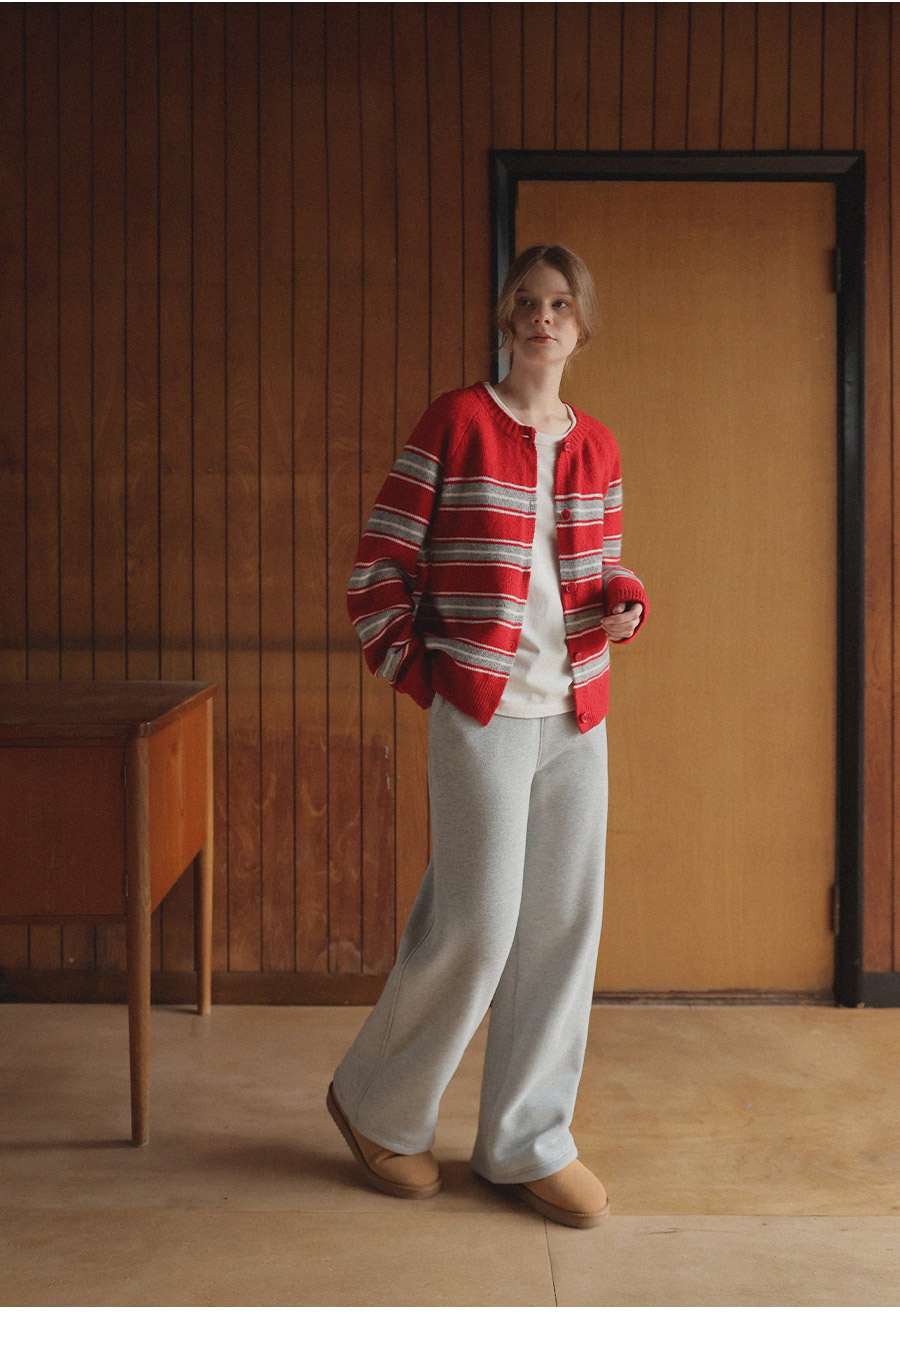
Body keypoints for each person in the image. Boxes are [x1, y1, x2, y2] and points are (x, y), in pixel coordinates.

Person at [327, 243, 649, 1230]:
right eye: (527, 302)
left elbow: (597, 571)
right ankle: (377, 1106)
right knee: (476, 926)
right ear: (507, 319)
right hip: (482, 713)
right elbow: (378, 569)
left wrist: (625, 603)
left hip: (576, 713)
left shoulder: (599, 448)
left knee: (560, 931)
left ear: (582, 327)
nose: (543, 318)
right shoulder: (456, 422)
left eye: (560, 305)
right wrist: (425, 675)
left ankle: (526, 1143)